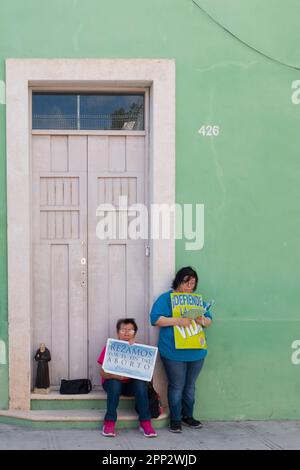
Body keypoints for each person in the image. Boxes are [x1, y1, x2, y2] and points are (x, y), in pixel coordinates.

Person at [150, 266, 213, 433]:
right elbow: (155, 319)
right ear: (178, 281)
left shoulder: (197, 301)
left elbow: (209, 322)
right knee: (177, 385)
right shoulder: (166, 298)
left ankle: (188, 416)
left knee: (190, 385)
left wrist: (202, 320)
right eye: (187, 282)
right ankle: (175, 419)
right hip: (173, 351)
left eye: (193, 283)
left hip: (196, 350)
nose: (189, 286)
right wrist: (178, 320)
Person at [98, 318, 157, 438]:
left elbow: (147, 374)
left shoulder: (140, 348)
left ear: (134, 333)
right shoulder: (111, 347)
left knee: (140, 383)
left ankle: (145, 422)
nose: (126, 333)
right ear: (117, 333)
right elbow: (103, 373)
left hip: (131, 386)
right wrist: (116, 376)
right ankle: (109, 422)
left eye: (130, 330)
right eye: (123, 330)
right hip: (112, 384)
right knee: (114, 383)